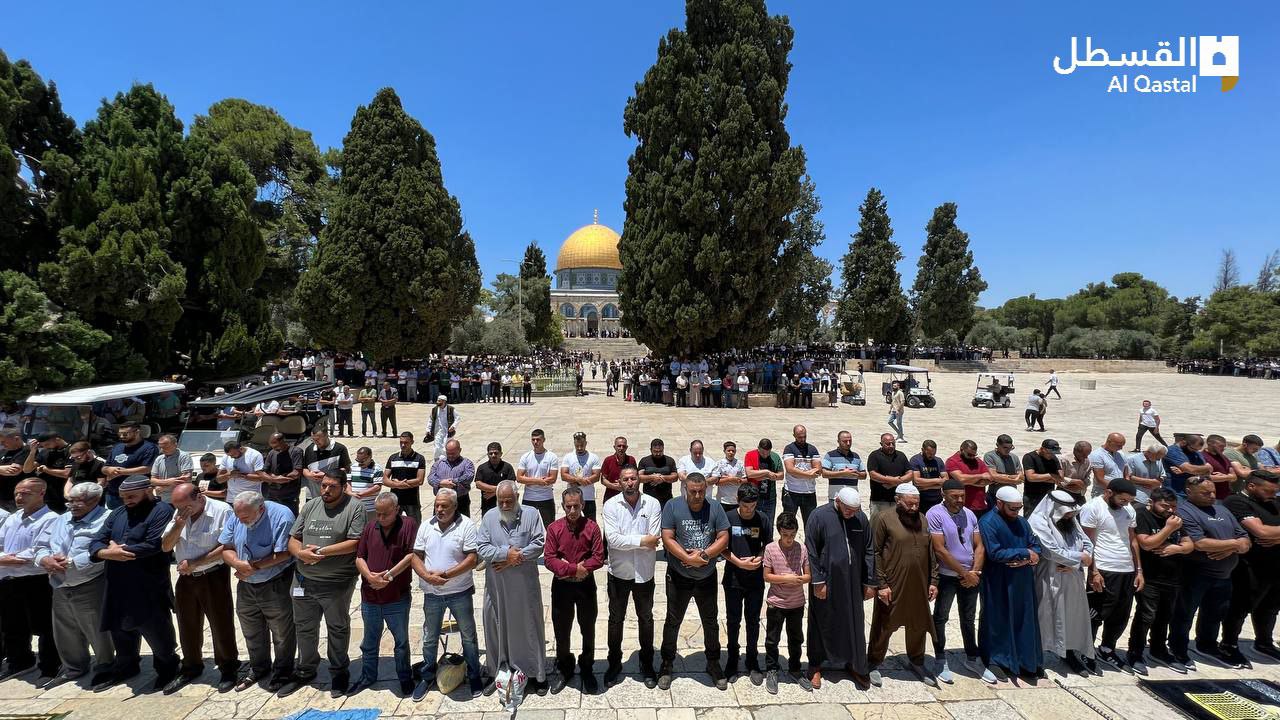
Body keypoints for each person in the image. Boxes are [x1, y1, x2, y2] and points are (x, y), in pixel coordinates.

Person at [88, 475, 180, 692]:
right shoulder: (119, 512)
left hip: (148, 583)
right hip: (116, 583)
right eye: (123, 497)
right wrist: (105, 552)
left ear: (148, 491)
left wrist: (118, 551)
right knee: (119, 629)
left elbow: (154, 544)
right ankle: (126, 667)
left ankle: (168, 669)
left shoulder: (162, 511)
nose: (127, 500)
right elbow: (97, 540)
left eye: (132, 496)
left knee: (156, 630)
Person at [289, 468, 366, 697]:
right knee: (304, 627)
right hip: (303, 579)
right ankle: (305, 669)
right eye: (324, 485)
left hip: (336, 582)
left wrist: (320, 552)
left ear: (343, 487)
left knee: (337, 628)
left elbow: (354, 542)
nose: (326, 490)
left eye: (332, 486)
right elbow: (294, 538)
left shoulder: (354, 508)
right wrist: (301, 554)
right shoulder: (311, 505)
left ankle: (339, 672)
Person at [32, 482, 113, 689]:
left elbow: (106, 550)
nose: (73, 506)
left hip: (90, 581)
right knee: (65, 629)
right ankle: (74, 668)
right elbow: (40, 546)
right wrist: (45, 560)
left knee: (96, 628)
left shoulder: (108, 518)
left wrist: (72, 562)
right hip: (59, 583)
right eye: (70, 501)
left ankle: (106, 667)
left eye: (79, 501)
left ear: (95, 500)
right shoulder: (61, 519)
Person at [160, 481, 239, 693]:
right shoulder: (179, 515)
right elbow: (166, 546)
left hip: (212, 574)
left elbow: (227, 545)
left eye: (186, 506)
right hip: (186, 577)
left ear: (199, 497)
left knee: (220, 623)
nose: (182, 510)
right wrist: (178, 524)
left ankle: (228, 667)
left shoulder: (222, 511)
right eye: (177, 506)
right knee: (187, 624)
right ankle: (191, 667)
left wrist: (196, 562)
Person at [1168, 475, 1250, 671]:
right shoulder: (1184, 511)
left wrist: (1232, 547)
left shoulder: (1222, 509)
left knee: (1215, 614)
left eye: (1213, 491)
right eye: (1205, 493)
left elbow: (1245, 539)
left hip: (1224, 574)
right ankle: (1177, 648)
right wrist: (1235, 544)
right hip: (1196, 574)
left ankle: (1206, 645)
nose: (1212, 496)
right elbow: (1200, 543)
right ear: (1189, 491)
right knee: (1185, 613)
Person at [219, 491, 297, 694]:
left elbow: (284, 553)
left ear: (260, 509)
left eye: (245, 517)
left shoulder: (282, 515)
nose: (240, 520)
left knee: (281, 631)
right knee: (251, 629)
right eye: (238, 516)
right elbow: (226, 547)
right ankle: (259, 668)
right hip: (246, 583)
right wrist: (237, 563)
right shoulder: (238, 515)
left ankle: (282, 671)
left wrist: (253, 567)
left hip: (275, 582)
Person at [657, 472, 729, 690]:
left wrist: (704, 556)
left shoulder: (715, 507)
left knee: (710, 621)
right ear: (685, 489)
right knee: (672, 620)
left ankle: (713, 662)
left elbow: (723, 536)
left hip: (706, 576)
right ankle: (667, 662)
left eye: (701, 491)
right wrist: (687, 558)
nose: (697, 496)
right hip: (679, 575)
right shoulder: (672, 506)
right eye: (693, 491)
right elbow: (667, 537)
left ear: (706, 489)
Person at [410, 488, 483, 701]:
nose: (439, 509)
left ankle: (474, 673)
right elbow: (416, 555)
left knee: (468, 636)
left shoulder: (467, 525)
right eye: (437, 505)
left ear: (455, 506)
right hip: (432, 592)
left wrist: (446, 575)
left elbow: (472, 558)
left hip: (459, 591)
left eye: (444, 506)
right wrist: (426, 576)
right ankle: (428, 674)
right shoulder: (426, 525)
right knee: (430, 636)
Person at [476, 481, 548, 695]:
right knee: (495, 627)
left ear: (518, 498)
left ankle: (536, 674)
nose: (505, 505)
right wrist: (506, 554)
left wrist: (515, 558)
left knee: (529, 628)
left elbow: (538, 544)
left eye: (510, 501)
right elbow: (481, 547)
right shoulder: (489, 517)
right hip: (497, 588)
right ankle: (496, 672)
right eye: (501, 501)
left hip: (524, 589)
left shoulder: (532, 514)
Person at [805, 487, 875, 689]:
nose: (851, 514)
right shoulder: (819, 516)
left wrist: (869, 582)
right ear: (837, 501)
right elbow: (811, 550)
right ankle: (815, 665)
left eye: (854, 510)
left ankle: (855, 664)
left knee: (854, 622)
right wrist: (818, 581)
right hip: (827, 581)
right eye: (847, 510)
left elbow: (869, 549)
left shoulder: (860, 518)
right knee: (822, 620)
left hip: (852, 582)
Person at [350, 492, 418, 697]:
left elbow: (412, 554)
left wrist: (388, 576)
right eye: (378, 514)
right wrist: (370, 577)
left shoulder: (408, 525)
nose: (380, 518)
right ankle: (368, 676)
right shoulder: (371, 527)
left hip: (397, 596)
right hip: (370, 596)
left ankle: (405, 678)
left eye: (385, 514)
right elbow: (360, 557)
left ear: (396, 510)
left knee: (401, 642)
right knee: (369, 641)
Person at [602, 465, 661, 688]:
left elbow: (653, 539)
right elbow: (613, 540)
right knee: (616, 620)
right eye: (625, 479)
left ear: (639, 480)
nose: (630, 483)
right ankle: (614, 663)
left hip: (644, 574)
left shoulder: (652, 504)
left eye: (633, 479)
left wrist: (639, 540)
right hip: (619, 573)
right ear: (619, 482)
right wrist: (641, 541)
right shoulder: (610, 505)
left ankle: (647, 664)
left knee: (646, 619)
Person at [926, 479, 989, 684]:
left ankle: (972, 656)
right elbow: (940, 549)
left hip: (971, 576)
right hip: (947, 576)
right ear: (944, 495)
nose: (960, 500)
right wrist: (964, 573)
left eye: (962, 496)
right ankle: (940, 657)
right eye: (955, 496)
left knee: (968, 617)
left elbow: (979, 545)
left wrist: (975, 572)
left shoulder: (969, 514)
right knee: (941, 617)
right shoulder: (935, 514)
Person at [977, 486, 1043, 682]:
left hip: (1022, 579)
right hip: (999, 580)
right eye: (1012, 509)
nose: (1016, 513)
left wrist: (1032, 555)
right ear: (999, 504)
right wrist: (1025, 554)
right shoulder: (988, 522)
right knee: (999, 619)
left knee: (1024, 618)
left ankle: (1026, 661)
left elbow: (1035, 543)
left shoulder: (1022, 522)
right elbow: (995, 552)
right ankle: (998, 660)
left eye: (1019, 508)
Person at [1027, 490, 1096, 676]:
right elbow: (1051, 551)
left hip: (1072, 576)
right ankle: (1037, 658)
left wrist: (1080, 561)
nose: (1070, 516)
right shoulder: (1038, 521)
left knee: (1073, 616)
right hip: (1049, 576)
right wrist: (1079, 558)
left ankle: (1070, 653)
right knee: (1045, 616)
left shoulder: (1070, 521)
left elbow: (1087, 543)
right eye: (1066, 513)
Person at [544, 486, 604, 694]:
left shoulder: (592, 527)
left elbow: (598, 557)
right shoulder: (554, 528)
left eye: (576, 506)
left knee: (588, 628)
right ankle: (565, 666)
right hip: (562, 587)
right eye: (568, 507)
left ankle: (587, 667)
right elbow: (549, 558)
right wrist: (573, 569)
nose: (572, 511)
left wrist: (580, 570)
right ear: (562, 506)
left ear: (583, 505)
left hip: (586, 585)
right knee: (562, 630)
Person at [0, 478, 61, 682]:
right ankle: (19, 661)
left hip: (36, 580)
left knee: (45, 626)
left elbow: (39, 549)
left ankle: (50, 666)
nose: (19, 497)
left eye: (25, 493)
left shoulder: (50, 519)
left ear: (41, 493)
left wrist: (10, 559)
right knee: (13, 625)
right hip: (10, 578)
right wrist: (5, 559)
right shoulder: (12, 518)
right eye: (17, 493)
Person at [1079, 478, 1143, 672]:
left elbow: (1132, 540)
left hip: (1126, 569)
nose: (1126, 504)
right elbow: (1087, 542)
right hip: (1104, 567)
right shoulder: (1093, 508)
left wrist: (1139, 570)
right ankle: (1085, 649)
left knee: (1120, 615)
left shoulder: (1129, 510)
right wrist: (1094, 571)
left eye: (1129, 500)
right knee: (1096, 613)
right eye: (1122, 499)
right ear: (1108, 493)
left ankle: (1107, 649)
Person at [1128, 488, 1193, 674]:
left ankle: (1158, 649)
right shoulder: (1143, 515)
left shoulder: (1175, 519)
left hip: (1172, 577)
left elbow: (1190, 545)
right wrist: (1168, 529)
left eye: (1173, 506)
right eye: (1165, 506)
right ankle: (1135, 652)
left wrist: (1176, 548)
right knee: (1146, 616)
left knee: (1165, 616)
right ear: (1152, 502)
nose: (1170, 510)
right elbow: (1146, 543)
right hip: (1150, 576)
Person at [1220, 470, 1280, 668]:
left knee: (1271, 606)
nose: (1272, 494)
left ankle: (1264, 642)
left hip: (1275, 565)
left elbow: (1268, 533)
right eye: (1268, 490)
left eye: (1275, 490)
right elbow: (1260, 531)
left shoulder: (1274, 503)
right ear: (1251, 486)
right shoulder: (1237, 502)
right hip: (1249, 566)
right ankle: (1229, 644)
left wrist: (1275, 537)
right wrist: (1268, 534)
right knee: (1240, 607)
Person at [722, 484, 772, 685]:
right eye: (745, 506)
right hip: (734, 577)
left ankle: (752, 659)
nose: (748, 510)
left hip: (755, 579)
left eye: (752, 506)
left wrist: (759, 558)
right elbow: (721, 547)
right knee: (733, 620)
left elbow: (767, 545)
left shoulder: (763, 519)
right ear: (738, 500)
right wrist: (738, 561)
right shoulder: (728, 517)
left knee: (753, 620)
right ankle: (733, 658)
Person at [761, 511, 811, 694]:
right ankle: (772, 670)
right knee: (772, 639)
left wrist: (797, 579)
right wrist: (786, 579)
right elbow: (766, 576)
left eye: (792, 535)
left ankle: (795, 668)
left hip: (796, 602)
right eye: (785, 535)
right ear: (779, 533)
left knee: (796, 638)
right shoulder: (770, 549)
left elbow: (807, 575)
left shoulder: (802, 548)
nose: (789, 539)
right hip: (776, 602)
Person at [100, 422, 158, 510]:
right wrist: (109, 470)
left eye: (125, 434)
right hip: (113, 494)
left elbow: (147, 469)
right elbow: (105, 468)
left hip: (135, 495)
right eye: (120, 434)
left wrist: (121, 472)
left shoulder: (149, 448)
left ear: (137, 432)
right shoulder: (117, 447)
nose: (121, 436)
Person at [867, 434, 912, 520]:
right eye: (888, 444)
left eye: (893, 443)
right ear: (881, 444)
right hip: (879, 500)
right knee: (877, 527)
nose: (891, 446)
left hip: (898, 500)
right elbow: (873, 475)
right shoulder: (874, 455)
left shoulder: (901, 455)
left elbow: (910, 474)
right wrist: (892, 480)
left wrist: (896, 482)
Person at [383, 432, 425, 522]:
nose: (403, 445)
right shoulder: (393, 458)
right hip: (395, 501)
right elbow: (385, 479)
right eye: (401, 442)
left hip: (412, 501)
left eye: (406, 443)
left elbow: (420, 480)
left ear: (412, 442)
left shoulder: (419, 458)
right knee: (392, 525)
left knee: (415, 526)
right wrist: (398, 485)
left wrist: (400, 484)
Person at [428, 439, 475, 519]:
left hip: (460, 500)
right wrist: (441, 483)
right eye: (448, 453)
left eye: (453, 453)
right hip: (441, 501)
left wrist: (453, 482)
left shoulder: (467, 463)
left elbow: (469, 476)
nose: (450, 456)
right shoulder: (439, 463)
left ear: (460, 450)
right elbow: (430, 478)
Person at [302, 427, 352, 501]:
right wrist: (309, 475)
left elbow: (346, 469)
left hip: (332, 495)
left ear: (326, 435)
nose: (315, 442)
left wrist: (326, 475)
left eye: (318, 439)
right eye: (313, 439)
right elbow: (304, 468)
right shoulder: (309, 449)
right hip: (312, 494)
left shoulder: (340, 448)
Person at [560, 432, 602, 521]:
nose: (579, 448)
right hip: (572, 498)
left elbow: (596, 476)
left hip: (588, 497)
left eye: (582, 445)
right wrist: (578, 479)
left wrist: (576, 483)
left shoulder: (593, 457)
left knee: (590, 522)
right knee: (572, 521)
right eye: (577, 445)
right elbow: (563, 475)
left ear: (586, 443)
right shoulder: (568, 457)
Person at [947, 440, 992, 518]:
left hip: (980, 506)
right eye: (969, 455)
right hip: (961, 507)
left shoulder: (978, 461)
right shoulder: (952, 461)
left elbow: (989, 479)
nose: (972, 457)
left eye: (974, 455)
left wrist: (968, 481)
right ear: (961, 450)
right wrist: (980, 476)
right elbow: (961, 479)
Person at [744, 439, 783, 523]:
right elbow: (749, 473)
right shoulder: (750, 455)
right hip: (754, 496)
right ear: (758, 448)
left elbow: (781, 475)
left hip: (770, 497)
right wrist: (767, 472)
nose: (765, 455)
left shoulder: (775, 457)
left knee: (768, 523)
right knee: (753, 523)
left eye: (767, 453)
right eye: (762, 453)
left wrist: (762, 476)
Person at [1022, 439, 1064, 516]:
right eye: (1049, 453)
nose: (1051, 455)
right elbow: (1030, 477)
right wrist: (1050, 476)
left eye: (1053, 453)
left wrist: (1040, 478)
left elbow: (1060, 478)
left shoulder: (1053, 458)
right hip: (1032, 497)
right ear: (1042, 449)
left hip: (1048, 497)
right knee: (1030, 519)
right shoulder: (1029, 457)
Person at [821, 431, 865, 503]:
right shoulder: (830, 455)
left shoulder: (856, 456)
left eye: (850, 441)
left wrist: (855, 473)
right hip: (836, 498)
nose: (848, 443)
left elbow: (864, 475)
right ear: (838, 441)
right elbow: (824, 473)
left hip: (853, 498)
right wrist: (843, 473)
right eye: (845, 441)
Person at [1163, 434, 1211, 499]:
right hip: (1175, 493)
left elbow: (1209, 471)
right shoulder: (1172, 451)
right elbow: (1190, 469)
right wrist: (1202, 469)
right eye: (1193, 448)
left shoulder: (1196, 453)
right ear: (1184, 442)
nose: (1195, 451)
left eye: (1197, 450)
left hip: (1191, 493)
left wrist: (1184, 471)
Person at [638, 438, 678, 509]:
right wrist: (652, 477)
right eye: (655, 451)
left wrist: (662, 478)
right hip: (648, 499)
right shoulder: (644, 461)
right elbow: (639, 477)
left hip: (666, 499)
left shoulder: (670, 461)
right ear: (650, 450)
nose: (658, 453)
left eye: (660, 451)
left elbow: (675, 477)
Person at [984, 435, 1023, 507]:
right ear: (997, 445)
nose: (1008, 450)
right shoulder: (989, 456)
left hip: (1011, 496)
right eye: (1005, 447)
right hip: (995, 496)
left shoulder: (1014, 457)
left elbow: (1021, 477)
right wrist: (1014, 480)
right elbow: (993, 476)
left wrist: (1001, 477)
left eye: (1010, 448)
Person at [908, 440, 946, 515]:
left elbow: (945, 481)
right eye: (929, 453)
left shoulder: (938, 461)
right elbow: (917, 481)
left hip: (937, 499)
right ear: (922, 450)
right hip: (921, 500)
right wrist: (938, 480)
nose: (931, 456)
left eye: (933, 453)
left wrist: (926, 487)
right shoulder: (915, 460)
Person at [1089, 433, 1130, 497]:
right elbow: (1100, 479)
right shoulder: (1097, 455)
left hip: (1119, 494)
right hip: (1103, 493)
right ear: (1109, 442)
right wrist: (1118, 490)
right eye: (1118, 445)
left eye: (1122, 446)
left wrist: (1127, 487)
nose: (1121, 448)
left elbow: (1126, 474)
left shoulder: (1121, 454)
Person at [711, 441, 748, 512]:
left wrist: (737, 480)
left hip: (737, 500)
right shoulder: (719, 464)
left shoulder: (740, 464)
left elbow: (746, 480)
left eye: (733, 451)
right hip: (723, 500)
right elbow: (717, 482)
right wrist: (730, 479)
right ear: (724, 451)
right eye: (728, 451)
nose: (731, 452)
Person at [599, 437, 635, 506]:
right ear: (614, 447)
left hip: (628, 497)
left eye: (623, 446)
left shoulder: (631, 460)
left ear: (626, 447)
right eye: (619, 446)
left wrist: (625, 485)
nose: (621, 448)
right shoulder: (608, 460)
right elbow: (603, 480)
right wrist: (614, 486)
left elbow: (635, 477)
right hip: (610, 497)